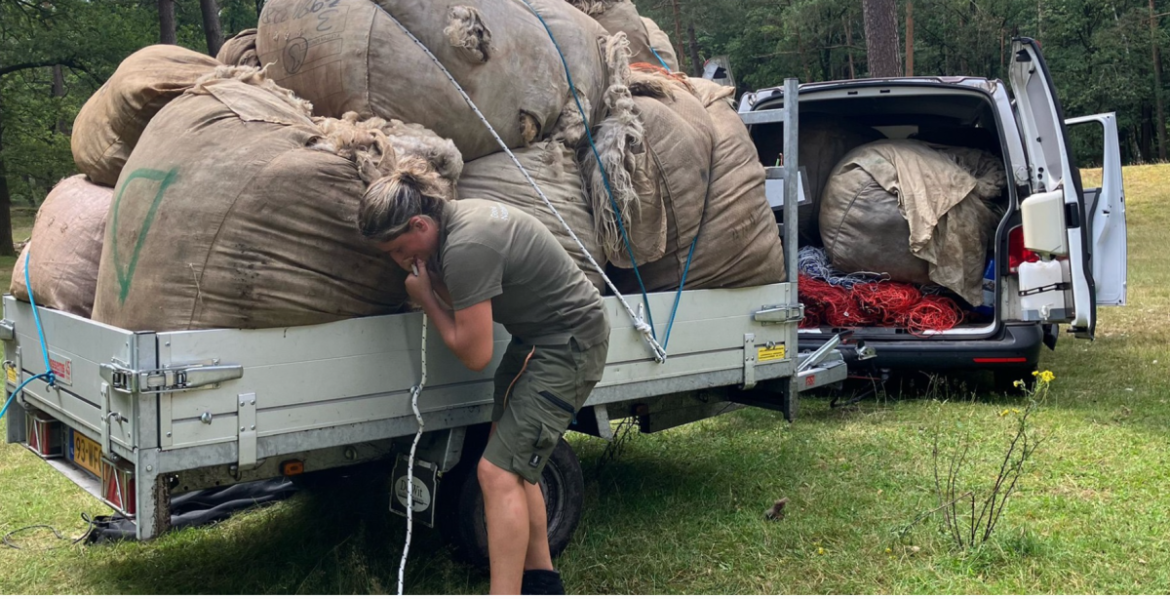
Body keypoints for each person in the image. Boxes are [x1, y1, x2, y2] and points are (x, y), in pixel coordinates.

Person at [357, 159, 610, 595]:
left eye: (400, 249)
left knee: (496, 474)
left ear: (420, 223)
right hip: (534, 340)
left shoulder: (467, 245)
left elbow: (475, 354)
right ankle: (543, 584)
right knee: (509, 466)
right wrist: (431, 280)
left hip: (569, 343)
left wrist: (425, 299)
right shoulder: (453, 227)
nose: (401, 261)